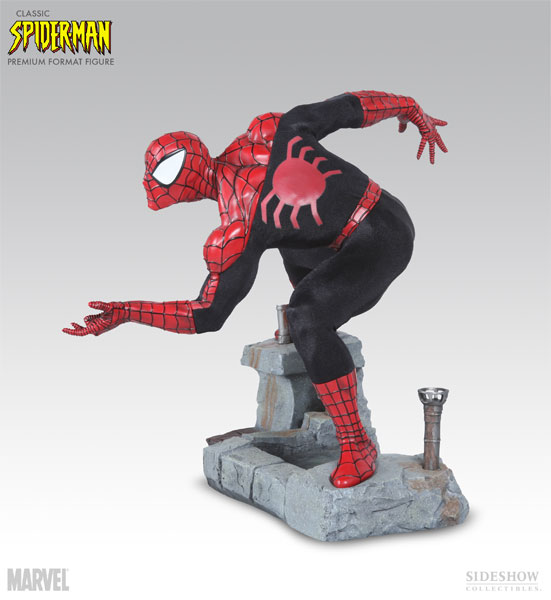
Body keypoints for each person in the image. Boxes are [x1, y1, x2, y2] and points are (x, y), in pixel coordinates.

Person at [64, 90, 448, 488]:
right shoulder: (267, 133)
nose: (160, 181)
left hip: (381, 238)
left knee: (306, 316)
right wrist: (408, 107)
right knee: (284, 235)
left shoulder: (238, 226)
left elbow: (206, 314)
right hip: (379, 214)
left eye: (166, 171)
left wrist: (127, 312)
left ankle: (356, 443)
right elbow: (350, 108)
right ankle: (318, 348)